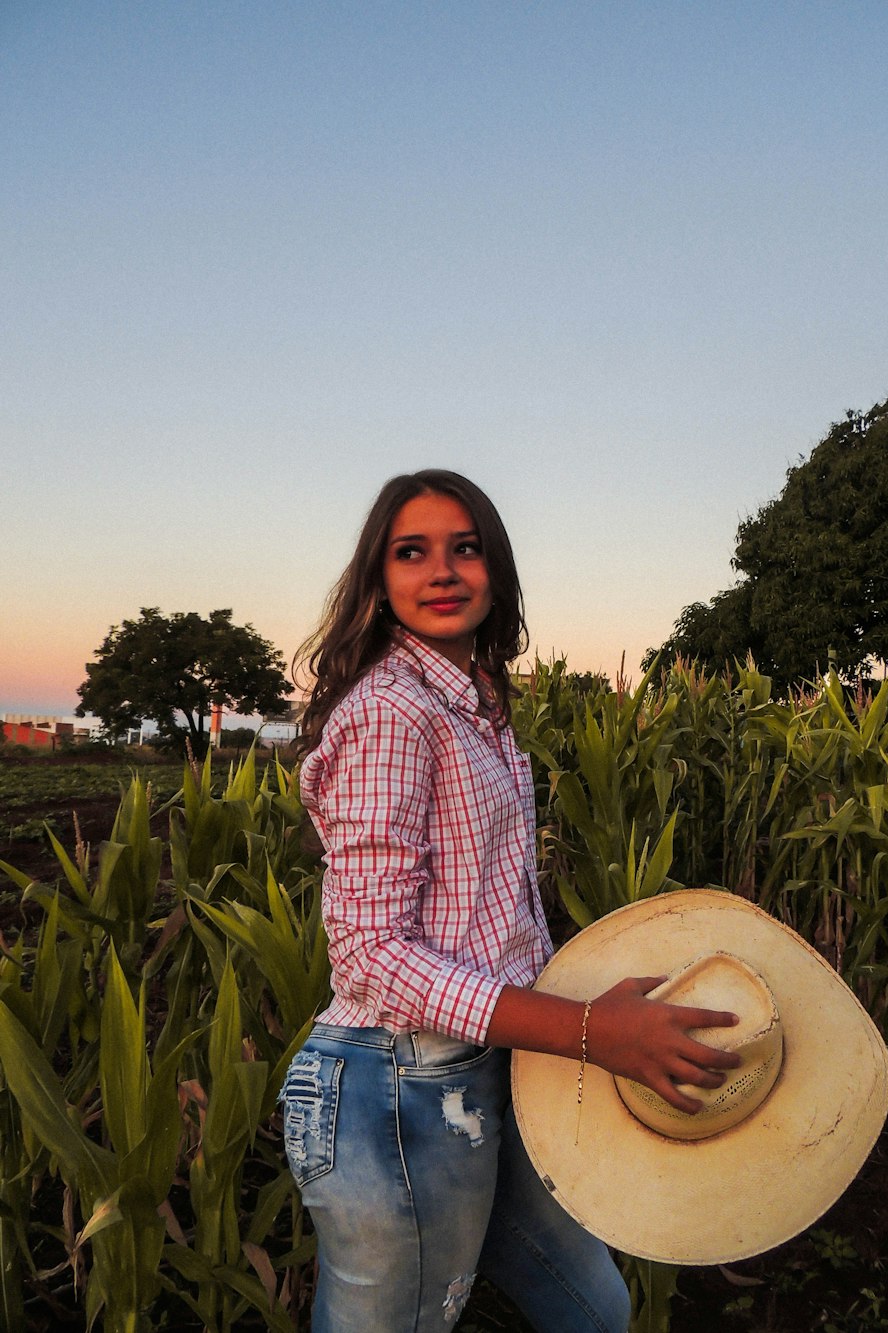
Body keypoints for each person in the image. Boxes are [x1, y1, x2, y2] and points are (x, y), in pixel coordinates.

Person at [281, 469, 739, 1333]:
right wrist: (588, 1030)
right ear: (380, 582)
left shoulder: (475, 707)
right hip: (397, 1087)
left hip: (490, 1064)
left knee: (593, 1307)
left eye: (466, 547)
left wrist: (592, 1006)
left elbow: (492, 917)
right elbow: (372, 954)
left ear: (496, 569)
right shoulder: (395, 711)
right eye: (411, 552)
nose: (443, 570)